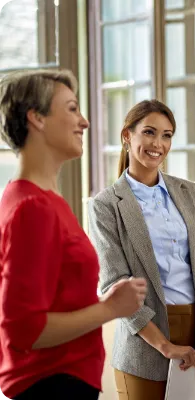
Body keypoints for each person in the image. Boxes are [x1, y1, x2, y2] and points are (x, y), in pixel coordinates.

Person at [0, 69, 147, 400]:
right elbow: (25, 329)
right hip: (46, 387)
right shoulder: (32, 208)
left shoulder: (38, 199)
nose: (84, 122)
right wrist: (111, 308)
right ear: (36, 118)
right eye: (71, 108)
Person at [87, 100, 195, 400]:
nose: (158, 144)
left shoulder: (190, 193)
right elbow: (115, 284)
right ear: (127, 135)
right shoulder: (105, 205)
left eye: (167, 135)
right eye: (149, 132)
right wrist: (165, 345)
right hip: (144, 347)